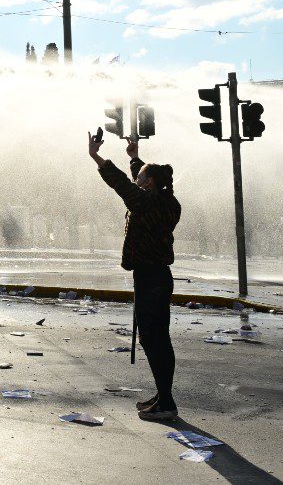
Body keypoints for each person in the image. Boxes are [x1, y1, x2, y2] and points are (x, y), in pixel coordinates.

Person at [89, 132, 181, 421]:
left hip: (150, 278)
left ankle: (166, 402)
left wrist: (96, 157)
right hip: (159, 277)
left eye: (141, 177)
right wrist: (134, 158)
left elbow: (122, 186)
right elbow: (136, 184)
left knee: (153, 340)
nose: (137, 180)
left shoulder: (144, 203)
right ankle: (163, 394)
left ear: (148, 182)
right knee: (158, 338)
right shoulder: (169, 202)